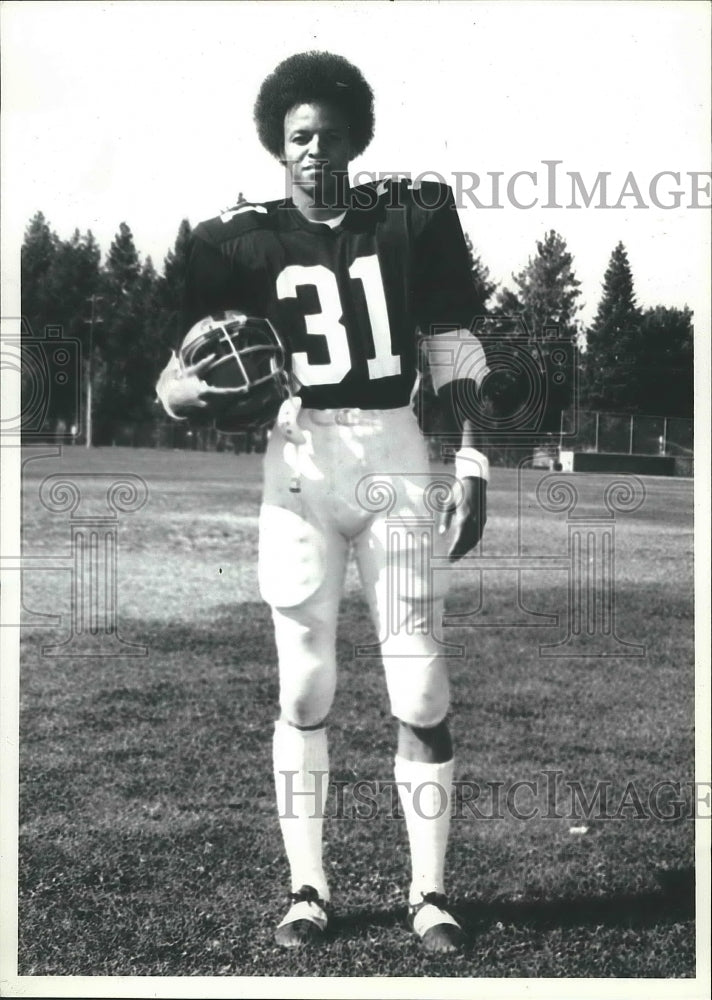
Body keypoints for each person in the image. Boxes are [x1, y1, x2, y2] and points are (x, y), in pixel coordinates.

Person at [156, 51, 491, 954]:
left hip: (395, 450)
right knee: (305, 684)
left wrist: (472, 460)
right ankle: (309, 886)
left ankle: (429, 893)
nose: (315, 151)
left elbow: (453, 342)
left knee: (419, 682)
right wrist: (189, 399)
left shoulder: (410, 216)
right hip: (299, 462)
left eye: (331, 136)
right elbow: (175, 377)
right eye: (300, 137)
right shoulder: (236, 241)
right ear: (279, 144)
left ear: (356, 139)